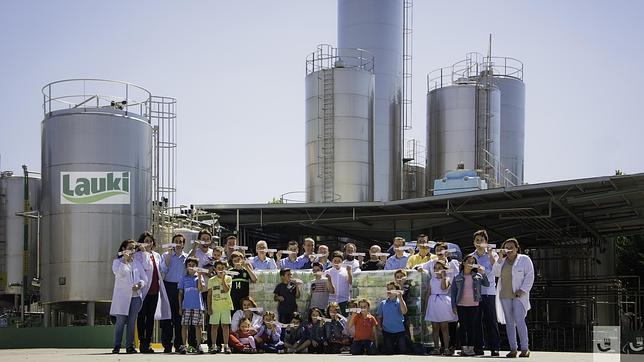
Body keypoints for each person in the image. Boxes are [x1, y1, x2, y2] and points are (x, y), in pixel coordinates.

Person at [492, 238, 534, 358]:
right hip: (505, 295)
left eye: (511, 247)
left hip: (519, 295)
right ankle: (513, 349)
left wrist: (523, 290)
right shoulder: (502, 261)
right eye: (507, 247)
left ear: (517, 248)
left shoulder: (524, 259)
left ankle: (525, 348)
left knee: (520, 320)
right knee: (509, 323)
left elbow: (530, 275)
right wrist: (499, 258)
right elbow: (495, 273)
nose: (509, 249)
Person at [134, 232, 171, 354]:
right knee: (141, 317)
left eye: (150, 241)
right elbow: (145, 267)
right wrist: (144, 252)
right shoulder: (138, 255)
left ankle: (148, 342)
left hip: (155, 290)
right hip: (144, 290)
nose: (148, 243)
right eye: (146, 241)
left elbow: (161, 270)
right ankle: (142, 341)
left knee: (150, 318)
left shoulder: (156, 255)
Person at [110, 239, 147, 354]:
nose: (132, 250)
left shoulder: (137, 263)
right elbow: (119, 273)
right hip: (122, 297)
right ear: (123, 249)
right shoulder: (117, 262)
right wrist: (125, 261)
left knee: (131, 322)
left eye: (133, 248)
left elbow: (144, 278)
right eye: (130, 248)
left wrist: (139, 284)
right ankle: (116, 346)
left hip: (135, 297)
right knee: (120, 322)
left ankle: (129, 346)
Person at [451, 255, 490, 356]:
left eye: (473, 262)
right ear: (463, 263)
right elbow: (453, 293)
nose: (470, 263)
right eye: (468, 261)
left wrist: (483, 273)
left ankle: (471, 348)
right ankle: (464, 348)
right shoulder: (458, 277)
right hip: (461, 305)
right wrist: (453, 306)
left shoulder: (477, 276)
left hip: (474, 304)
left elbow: (487, 284)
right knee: (463, 327)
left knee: (472, 327)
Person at [470, 229, 500, 356]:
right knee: (476, 321)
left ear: (486, 242)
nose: (479, 242)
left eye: (481, 240)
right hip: (475, 293)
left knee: (491, 320)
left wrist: (490, 254)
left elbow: (496, 269)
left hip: (490, 292)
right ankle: (478, 347)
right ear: (474, 242)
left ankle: (495, 348)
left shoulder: (492, 255)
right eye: (477, 240)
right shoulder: (471, 256)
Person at [159, 234, 188, 353]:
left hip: (181, 288)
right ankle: (166, 344)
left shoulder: (186, 257)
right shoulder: (166, 255)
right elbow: (163, 270)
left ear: (183, 244)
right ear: (172, 243)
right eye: (176, 241)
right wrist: (169, 255)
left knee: (179, 318)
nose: (178, 243)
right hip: (168, 286)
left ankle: (179, 344)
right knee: (166, 317)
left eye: (180, 242)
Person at [425, 261, 458, 356]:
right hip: (433, 303)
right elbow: (428, 293)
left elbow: (443, 288)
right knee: (435, 327)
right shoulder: (432, 280)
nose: (437, 269)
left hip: (443, 302)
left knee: (444, 327)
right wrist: (426, 306)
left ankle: (446, 348)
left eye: (440, 267)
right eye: (436, 268)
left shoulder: (447, 279)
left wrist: (443, 277)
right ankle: (436, 348)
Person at [178, 257, 207, 354]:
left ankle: (199, 345)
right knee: (184, 325)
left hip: (197, 306)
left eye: (193, 265)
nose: (191, 267)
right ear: (186, 267)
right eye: (189, 265)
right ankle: (184, 345)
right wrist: (180, 306)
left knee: (198, 326)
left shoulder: (200, 277)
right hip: (186, 306)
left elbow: (200, 289)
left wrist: (199, 276)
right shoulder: (183, 278)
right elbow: (180, 293)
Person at [207, 260, 234, 354]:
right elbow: (209, 295)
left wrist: (223, 279)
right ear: (215, 269)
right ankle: (213, 345)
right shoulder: (211, 280)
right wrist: (209, 307)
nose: (221, 270)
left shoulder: (229, 278)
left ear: (225, 269)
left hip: (226, 306)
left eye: (222, 268)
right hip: (215, 307)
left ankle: (226, 346)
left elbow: (226, 290)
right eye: (218, 268)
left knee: (225, 326)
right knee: (214, 326)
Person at [377, 282, 408, 355]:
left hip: (400, 331)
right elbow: (379, 317)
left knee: (402, 351)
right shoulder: (383, 303)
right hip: (387, 332)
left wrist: (400, 298)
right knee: (389, 352)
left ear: (396, 291)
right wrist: (379, 326)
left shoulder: (399, 302)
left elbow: (404, 312)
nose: (389, 290)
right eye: (388, 289)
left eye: (391, 289)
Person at [325, 251, 352, 315]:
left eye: (339, 261)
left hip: (344, 300)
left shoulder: (346, 271)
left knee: (344, 319)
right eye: (335, 261)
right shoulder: (327, 272)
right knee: (332, 319)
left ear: (342, 262)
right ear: (332, 262)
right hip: (331, 300)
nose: (337, 263)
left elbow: (350, 282)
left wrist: (349, 272)